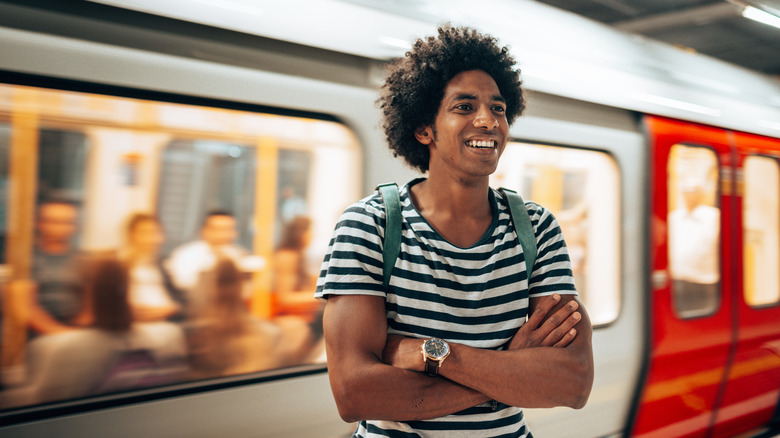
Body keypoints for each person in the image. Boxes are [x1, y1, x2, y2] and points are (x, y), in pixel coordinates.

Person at [315, 25, 594, 437]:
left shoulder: (535, 228)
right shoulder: (369, 225)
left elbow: (572, 383)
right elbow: (355, 393)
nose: (488, 121)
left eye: (498, 108)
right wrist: (509, 371)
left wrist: (435, 354)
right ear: (424, 129)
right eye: (464, 107)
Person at [165, 210, 261, 316]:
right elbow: (184, 286)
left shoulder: (239, 254)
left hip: (235, 311)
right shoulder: (186, 254)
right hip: (197, 310)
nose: (225, 234)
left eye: (229, 229)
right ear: (205, 230)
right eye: (219, 229)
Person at [26, 201, 90, 335]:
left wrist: (81, 330)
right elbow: (26, 309)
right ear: (39, 223)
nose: (60, 227)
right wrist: (61, 333)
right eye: (53, 221)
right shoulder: (26, 259)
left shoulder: (84, 259)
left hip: (78, 331)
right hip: (38, 333)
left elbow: (91, 304)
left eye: (67, 222)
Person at [668, 180, 720, 316]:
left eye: (694, 192)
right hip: (678, 281)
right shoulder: (674, 217)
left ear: (701, 194)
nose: (690, 195)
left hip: (704, 282)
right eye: (687, 192)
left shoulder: (714, 217)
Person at [272, 216, 322, 327]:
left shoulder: (299, 256)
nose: (313, 235)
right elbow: (285, 299)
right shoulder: (287, 257)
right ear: (300, 233)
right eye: (310, 231)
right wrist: (321, 297)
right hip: (284, 316)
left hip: (301, 315)